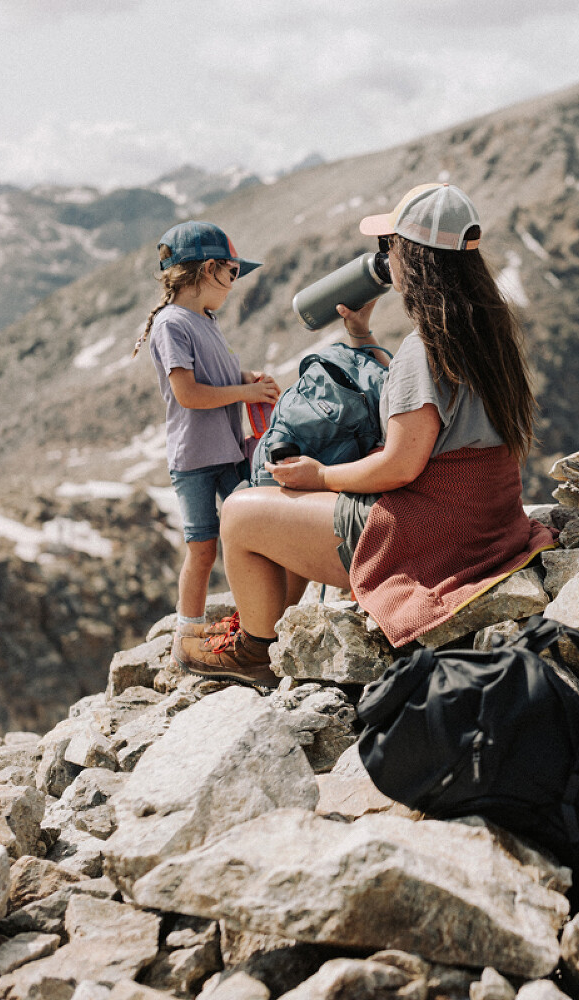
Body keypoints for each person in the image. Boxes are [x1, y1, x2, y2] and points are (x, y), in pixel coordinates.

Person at [181, 183, 555, 684]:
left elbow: (400, 466)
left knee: (242, 512)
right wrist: (362, 337)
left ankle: (255, 651)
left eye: (389, 247)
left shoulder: (425, 349)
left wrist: (319, 476)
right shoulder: (487, 329)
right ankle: (263, 626)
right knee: (276, 509)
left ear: (413, 258)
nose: (384, 259)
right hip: (483, 521)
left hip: (431, 538)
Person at [133, 221, 280, 663]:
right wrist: (246, 393)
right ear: (210, 270)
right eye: (233, 274)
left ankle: (254, 622)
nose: (234, 285)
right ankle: (186, 638)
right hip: (195, 457)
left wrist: (244, 377)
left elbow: (213, 377)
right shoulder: (171, 324)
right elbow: (189, 394)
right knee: (202, 548)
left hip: (228, 449)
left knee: (249, 531)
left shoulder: (205, 320)